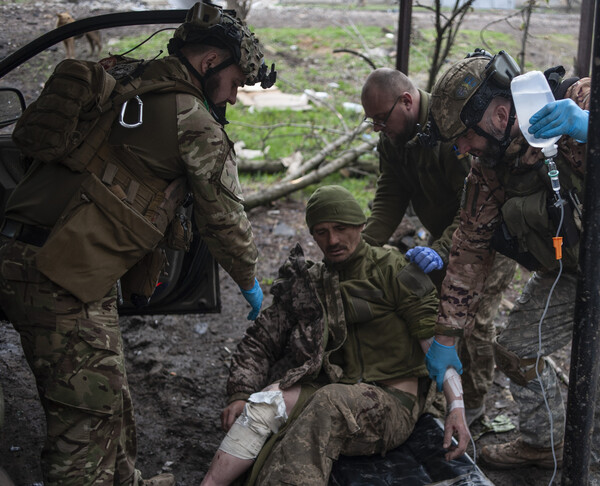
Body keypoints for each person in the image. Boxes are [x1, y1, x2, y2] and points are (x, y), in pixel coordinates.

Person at [0, 3, 274, 484]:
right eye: (234, 82)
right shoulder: (194, 121)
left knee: (109, 394)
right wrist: (251, 283)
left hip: (21, 255)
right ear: (209, 62)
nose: (231, 97)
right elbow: (225, 220)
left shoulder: (121, 77)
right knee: (83, 426)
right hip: (63, 279)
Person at [422, 49, 600, 484]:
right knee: (514, 350)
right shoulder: (489, 171)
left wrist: (598, 125)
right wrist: (446, 336)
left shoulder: (577, 101)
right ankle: (542, 442)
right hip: (578, 269)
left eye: (464, 137)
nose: (462, 149)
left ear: (497, 113)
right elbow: (469, 251)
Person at [200, 185, 470, 486]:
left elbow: (436, 347)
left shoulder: (395, 270)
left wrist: (456, 408)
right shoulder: (310, 282)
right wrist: (240, 392)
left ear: (361, 225)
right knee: (266, 404)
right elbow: (261, 340)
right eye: (322, 232)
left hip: (392, 403)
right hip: (335, 388)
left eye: (341, 228)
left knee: (330, 402)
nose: (333, 240)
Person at [359, 67, 516, 426]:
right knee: (433, 312)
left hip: (487, 240)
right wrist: (364, 245)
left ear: (408, 101)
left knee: (473, 322)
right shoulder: (394, 138)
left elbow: (476, 211)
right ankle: (435, 390)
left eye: (382, 119)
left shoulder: (454, 132)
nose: (379, 128)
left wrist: (442, 251)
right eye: (373, 123)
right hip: (442, 239)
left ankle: (472, 404)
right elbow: (391, 192)